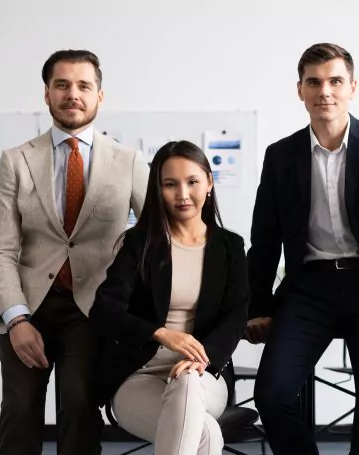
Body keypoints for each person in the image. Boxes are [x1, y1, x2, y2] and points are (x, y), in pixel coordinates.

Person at [245, 42, 359, 455]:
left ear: (352, 87)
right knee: (273, 394)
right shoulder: (280, 156)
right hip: (308, 289)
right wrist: (258, 305)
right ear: (300, 90)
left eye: (334, 81)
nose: (324, 91)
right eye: (313, 82)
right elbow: (265, 240)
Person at [0, 49, 150, 455]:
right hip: (28, 305)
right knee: (20, 412)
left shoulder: (127, 160)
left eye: (83, 86)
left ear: (99, 96)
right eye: (62, 85)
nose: (72, 94)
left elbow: (156, 236)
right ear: (47, 94)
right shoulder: (17, 161)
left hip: (92, 308)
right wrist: (16, 317)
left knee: (78, 407)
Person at [90, 140, 249, 455]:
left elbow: (236, 316)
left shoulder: (230, 246)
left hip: (204, 373)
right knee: (208, 436)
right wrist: (160, 333)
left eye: (192, 182)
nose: (183, 194)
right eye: (170, 184)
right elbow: (105, 310)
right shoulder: (140, 243)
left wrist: (199, 359)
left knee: (188, 383)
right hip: (139, 373)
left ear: (209, 183)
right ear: (157, 190)